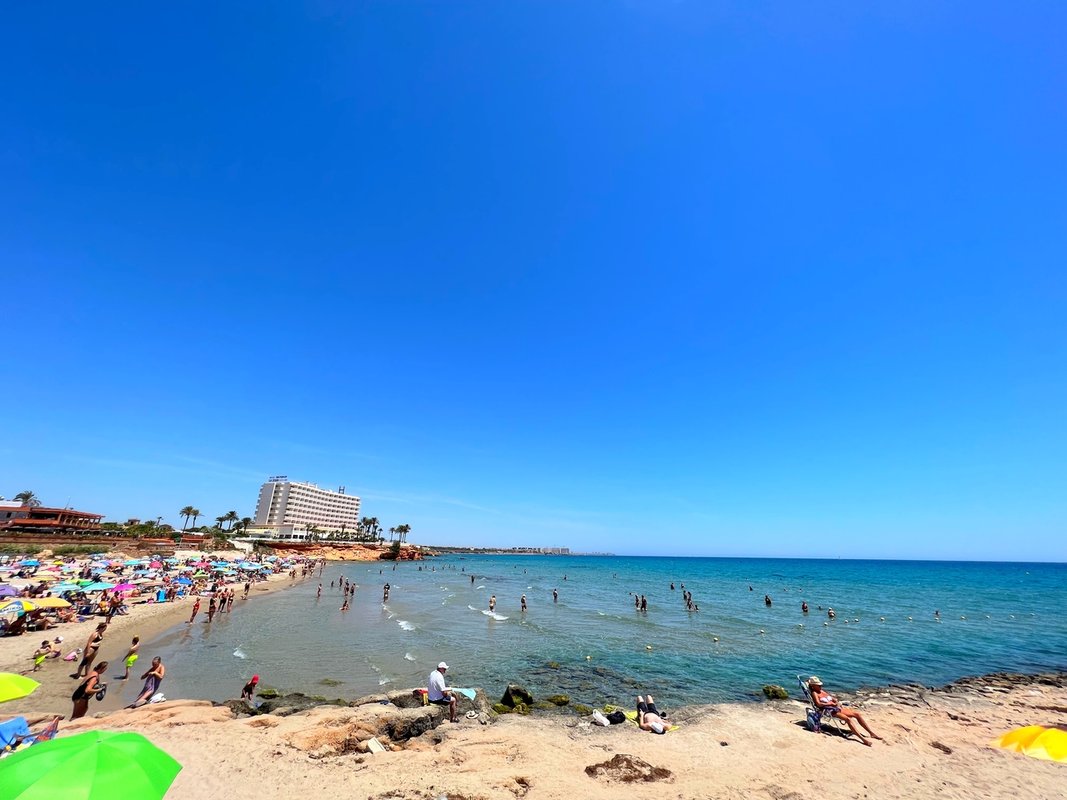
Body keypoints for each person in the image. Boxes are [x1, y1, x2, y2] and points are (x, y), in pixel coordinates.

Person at [807, 677, 882, 746]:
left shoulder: (821, 691)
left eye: (820, 685)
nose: (820, 686)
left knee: (857, 714)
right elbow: (818, 704)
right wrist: (830, 703)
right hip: (829, 710)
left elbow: (831, 698)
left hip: (836, 707)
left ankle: (871, 733)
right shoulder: (814, 693)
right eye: (818, 685)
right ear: (813, 686)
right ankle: (863, 739)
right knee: (848, 719)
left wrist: (835, 700)